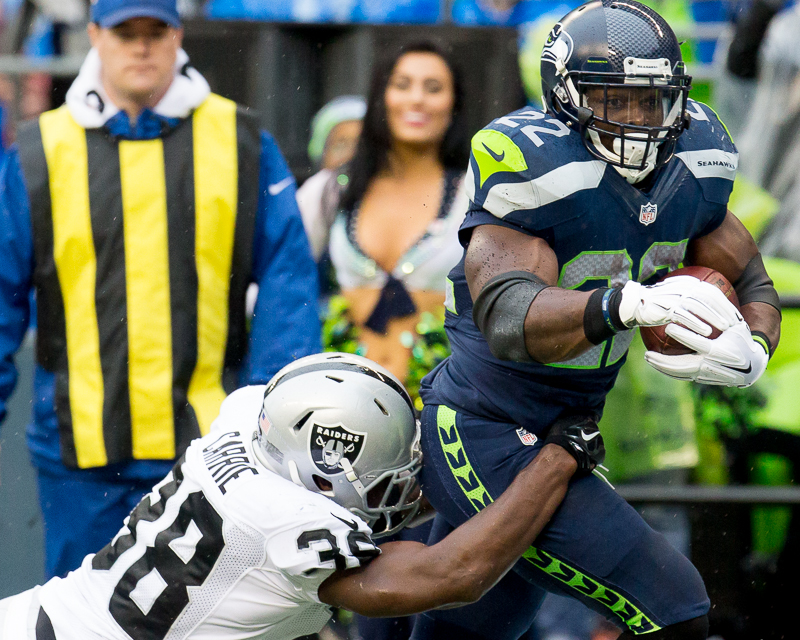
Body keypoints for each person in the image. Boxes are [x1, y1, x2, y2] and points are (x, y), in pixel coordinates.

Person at [412, 1, 782, 639]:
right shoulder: (532, 159)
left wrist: (755, 345)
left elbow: (749, 274)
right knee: (676, 606)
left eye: (651, 100)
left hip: (570, 431)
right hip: (484, 426)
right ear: (565, 94)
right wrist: (625, 303)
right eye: (613, 98)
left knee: (468, 632)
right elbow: (506, 313)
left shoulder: (697, 157)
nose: (637, 121)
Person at [0, 0, 320, 581]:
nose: (141, 46)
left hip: (209, 451)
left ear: (178, 36)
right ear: (94, 34)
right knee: (80, 621)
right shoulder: (36, 151)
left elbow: (287, 289)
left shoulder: (242, 139)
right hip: (77, 455)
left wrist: (274, 425)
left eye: (155, 31)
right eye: (126, 32)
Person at [0, 352, 597, 640]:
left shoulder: (244, 422)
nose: (411, 488)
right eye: (393, 475)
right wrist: (555, 461)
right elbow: (454, 574)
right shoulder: (289, 527)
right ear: (321, 480)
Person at [324, 42, 470, 390]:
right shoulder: (335, 188)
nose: (417, 99)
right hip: (342, 402)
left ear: (454, 105)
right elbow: (279, 270)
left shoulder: (477, 194)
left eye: (433, 88)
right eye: (402, 85)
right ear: (381, 97)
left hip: (444, 404)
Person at [296, 95, 366, 261]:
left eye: (361, 146)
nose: (351, 155)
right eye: (340, 145)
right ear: (321, 154)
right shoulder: (317, 191)